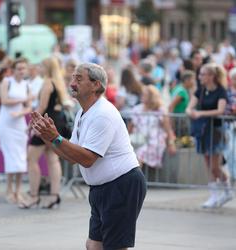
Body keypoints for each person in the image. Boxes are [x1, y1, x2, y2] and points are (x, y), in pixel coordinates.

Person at [30, 63, 146, 250]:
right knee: (93, 245)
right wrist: (48, 138)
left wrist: (56, 137)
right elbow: (72, 156)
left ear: (96, 85)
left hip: (121, 185)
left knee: (114, 247)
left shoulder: (102, 114)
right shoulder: (83, 113)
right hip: (102, 188)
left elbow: (87, 159)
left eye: (79, 78)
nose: (72, 83)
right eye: (72, 77)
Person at [19, 57, 72, 209]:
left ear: (47, 68)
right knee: (52, 158)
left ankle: (34, 196)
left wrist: (31, 125)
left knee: (31, 158)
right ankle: (54, 196)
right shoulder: (58, 83)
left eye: (41, 65)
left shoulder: (48, 82)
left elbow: (42, 106)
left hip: (46, 122)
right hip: (56, 122)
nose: (39, 68)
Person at [186, 63, 232, 208]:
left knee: (215, 166)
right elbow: (189, 107)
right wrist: (191, 112)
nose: (200, 77)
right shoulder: (200, 90)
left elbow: (220, 110)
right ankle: (214, 195)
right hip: (203, 131)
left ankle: (226, 190)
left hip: (216, 131)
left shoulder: (221, 91)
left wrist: (201, 114)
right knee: (208, 164)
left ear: (212, 76)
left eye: (203, 74)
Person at [0, 58, 32, 204]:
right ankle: (8, 190)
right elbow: (4, 101)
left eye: (24, 68)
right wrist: (23, 100)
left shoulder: (26, 85)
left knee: (21, 156)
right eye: (19, 68)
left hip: (19, 123)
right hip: (6, 122)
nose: (21, 71)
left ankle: (18, 191)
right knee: (10, 156)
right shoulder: (7, 82)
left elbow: (29, 107)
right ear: (13, 69)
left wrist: (20, 113)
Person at [129, 85, 176, 169]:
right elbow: (130, 126)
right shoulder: (137, 109)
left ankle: (135, 180)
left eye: (145, 95)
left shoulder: (160, 110)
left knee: (140, 154)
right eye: (142, 94)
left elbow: (167, 128)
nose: (142, 96)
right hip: (138, 139)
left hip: (155, 141)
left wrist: (171, 144)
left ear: (151, 97)